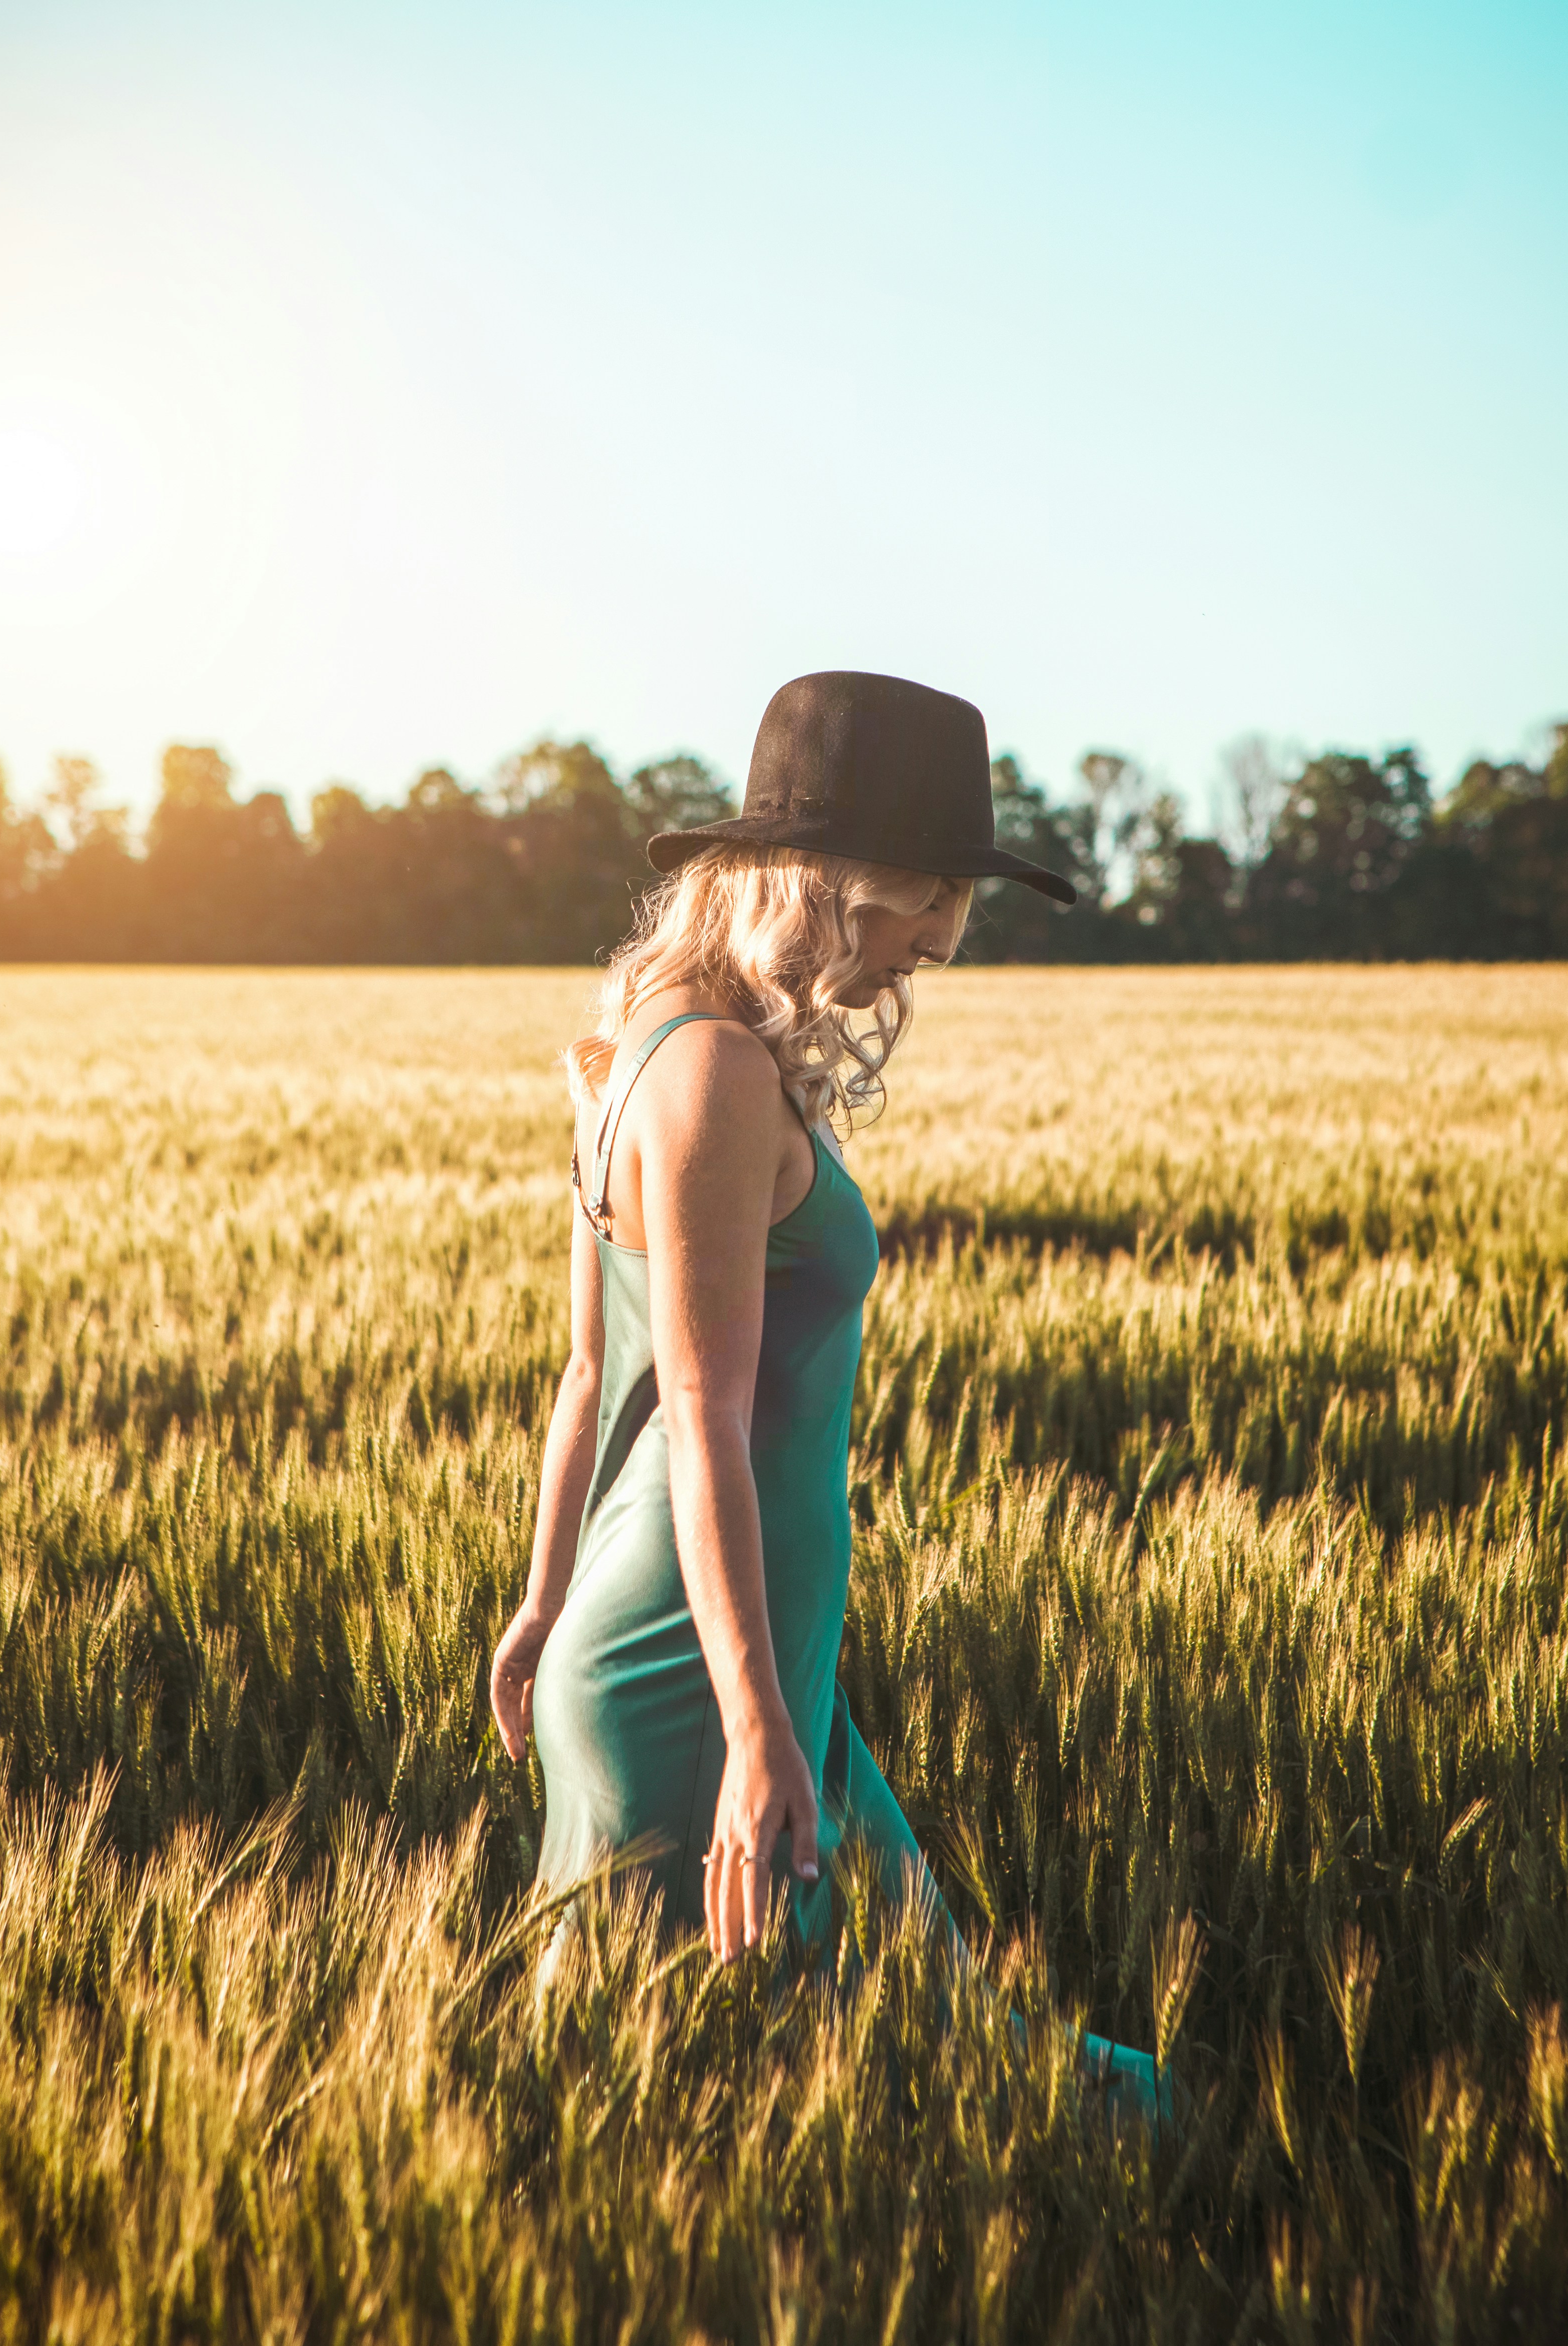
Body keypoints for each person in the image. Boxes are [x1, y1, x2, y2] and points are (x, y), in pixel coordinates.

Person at [489, 670, 1158, 2113]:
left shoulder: (640, 1045)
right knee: (730, 2092)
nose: (923, 956)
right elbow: (703, 1415)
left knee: (888, 2040)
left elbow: (591, 1374)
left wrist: (547, 1600)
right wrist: (750, 1726)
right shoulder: (720, 1073)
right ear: (811, 881)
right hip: (699, 1670)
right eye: (909, 910)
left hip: (724, 1645)